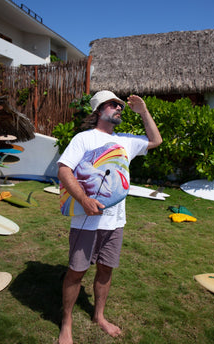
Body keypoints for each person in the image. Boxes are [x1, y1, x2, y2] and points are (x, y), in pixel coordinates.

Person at [57, 90, 162, 344]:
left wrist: (144, 112)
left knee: (105, 270)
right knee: (76, 272)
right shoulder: (84, 139)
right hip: (87, 219)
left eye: (120, 105)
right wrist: (83, 199)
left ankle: (99, 316)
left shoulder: (125, 141)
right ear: (98, 110)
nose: (119, 108)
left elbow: (156, 140)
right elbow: (63, 170)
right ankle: (66, 322)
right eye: (113, 104)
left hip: (115, 221)